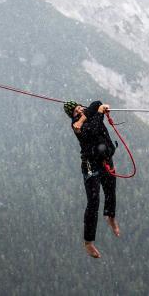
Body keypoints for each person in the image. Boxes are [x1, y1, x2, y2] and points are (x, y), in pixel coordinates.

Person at [64, 100, 120, 259]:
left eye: (80, 107)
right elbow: (93, 129)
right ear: (72, 117)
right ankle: (88, 242)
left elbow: (97, 102)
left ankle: (110, 217)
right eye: (76, 112)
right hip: (91, 166)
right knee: (93, 201)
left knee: (110, 190)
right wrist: (99, 113)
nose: (80, 110)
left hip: (105, 159)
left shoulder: (86, 115)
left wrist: (92, 112)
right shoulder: (77, 127)